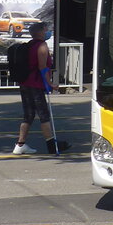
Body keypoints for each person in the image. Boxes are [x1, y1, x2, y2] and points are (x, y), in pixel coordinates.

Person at [12, 23, 70, 155]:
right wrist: (50, 84)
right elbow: (43, 67)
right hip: (35, 84)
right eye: (46, 30)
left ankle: (20, 144)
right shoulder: (41, 46)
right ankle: (51, 145)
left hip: (25, 83)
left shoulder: (30, 45)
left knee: (29, 114)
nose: (48, 32)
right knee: (44, 115)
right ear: (40, 32)